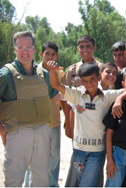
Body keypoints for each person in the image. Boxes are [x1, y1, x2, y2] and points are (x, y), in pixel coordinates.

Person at [48, 62, 124, 187]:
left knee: (86, 184)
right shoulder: (77, 95)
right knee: (84, 181)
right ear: (81, 81)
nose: (89, 84)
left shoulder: (108, 96)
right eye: (85, 81)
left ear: (99, 77)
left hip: (97, 151)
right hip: (78, 149)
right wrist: (52, 71)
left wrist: (120, 99)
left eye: (92, 79)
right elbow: (55, 84)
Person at [0, 31, 58, 187]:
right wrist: (2, 130)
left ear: (34, 49)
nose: (24, 52)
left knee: (41, 178)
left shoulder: (43, 74)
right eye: (20, 47)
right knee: (14, 179)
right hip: (18, 132)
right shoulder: (6, 74)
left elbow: (55, 95)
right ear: (14, 50)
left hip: (42, 131)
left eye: (28, 47)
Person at [60, 35, 102, 187]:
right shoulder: (71, 70)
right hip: (77, 124)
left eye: (88, 46)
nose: (85, 50)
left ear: (94, 48)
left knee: (96, 161)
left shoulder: (102, 68)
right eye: (82, 47)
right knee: (77, 161)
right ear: (78, 49)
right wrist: (67, 123)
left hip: (97, 126)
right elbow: (64, 99)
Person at [24, 41, 64, 187]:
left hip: (54, 121)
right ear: (41, 54)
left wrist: (68, 121)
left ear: (56, 55)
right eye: (47, 53)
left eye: (53, 54)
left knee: (54, 157)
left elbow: (65, 98)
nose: (50, 57)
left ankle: (52, 185)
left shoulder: (60, 72)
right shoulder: (33, 71)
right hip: (35, 122)